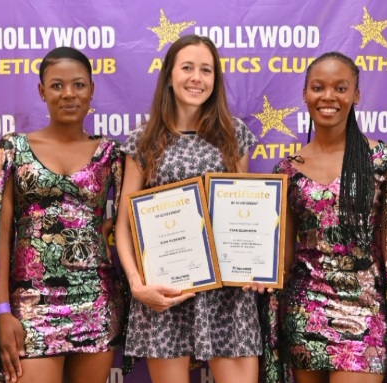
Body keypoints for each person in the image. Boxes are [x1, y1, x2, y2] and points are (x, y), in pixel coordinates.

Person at [259, 52, 387, 383]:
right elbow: (282, 255)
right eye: (318, 87)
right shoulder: (287, 169)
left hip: (363, 311)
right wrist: (259, 271)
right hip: (304, 312)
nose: (328, 97)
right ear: (305, 94)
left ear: (355, 95)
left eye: (340, 88)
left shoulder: (383, 162)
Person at [0, 47, 128, 383]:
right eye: (57, 85)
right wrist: (3, 311)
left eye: (78, 85)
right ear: (42, 91)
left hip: (96, 300)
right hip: (31, 304)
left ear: (91, 90)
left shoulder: (111, 154)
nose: (68, 94)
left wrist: (107, 230)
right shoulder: (12, 149)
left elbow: (129, 221)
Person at [114, 34, 261, 383]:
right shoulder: (143, 140)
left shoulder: (234, 136)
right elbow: (124, 225)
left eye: (206, 70)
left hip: (229, 295)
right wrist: (137, 285)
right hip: (166, 291)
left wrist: (255, 264)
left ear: (216, 79)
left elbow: (247, 208)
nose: (197, 77)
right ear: (169, 75)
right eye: (188, 68)